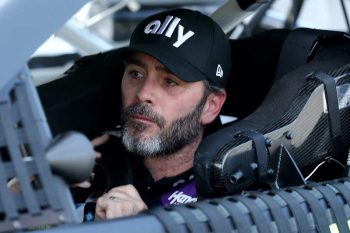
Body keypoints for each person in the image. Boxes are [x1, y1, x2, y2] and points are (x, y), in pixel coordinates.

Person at [88, 8, 232, 220]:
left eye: (170, 81)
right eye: (135, 73)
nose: (143, 93)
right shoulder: (95, 155)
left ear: (210, 106)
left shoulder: (227, 198)